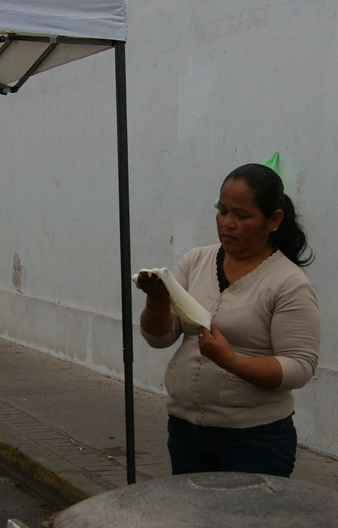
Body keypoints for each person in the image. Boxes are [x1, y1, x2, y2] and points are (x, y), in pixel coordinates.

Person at [136, 162, 321, 477]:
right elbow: (161, 338)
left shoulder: (288, 283)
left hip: (253, 441)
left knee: (243, 525)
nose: (227, 223)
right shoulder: (195, 262)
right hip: (186, 432)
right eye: (222, 211)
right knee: (194, 521)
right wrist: (156, 300)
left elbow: (300, 366)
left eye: (242, 215)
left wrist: (231, 361)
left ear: (274, 219)